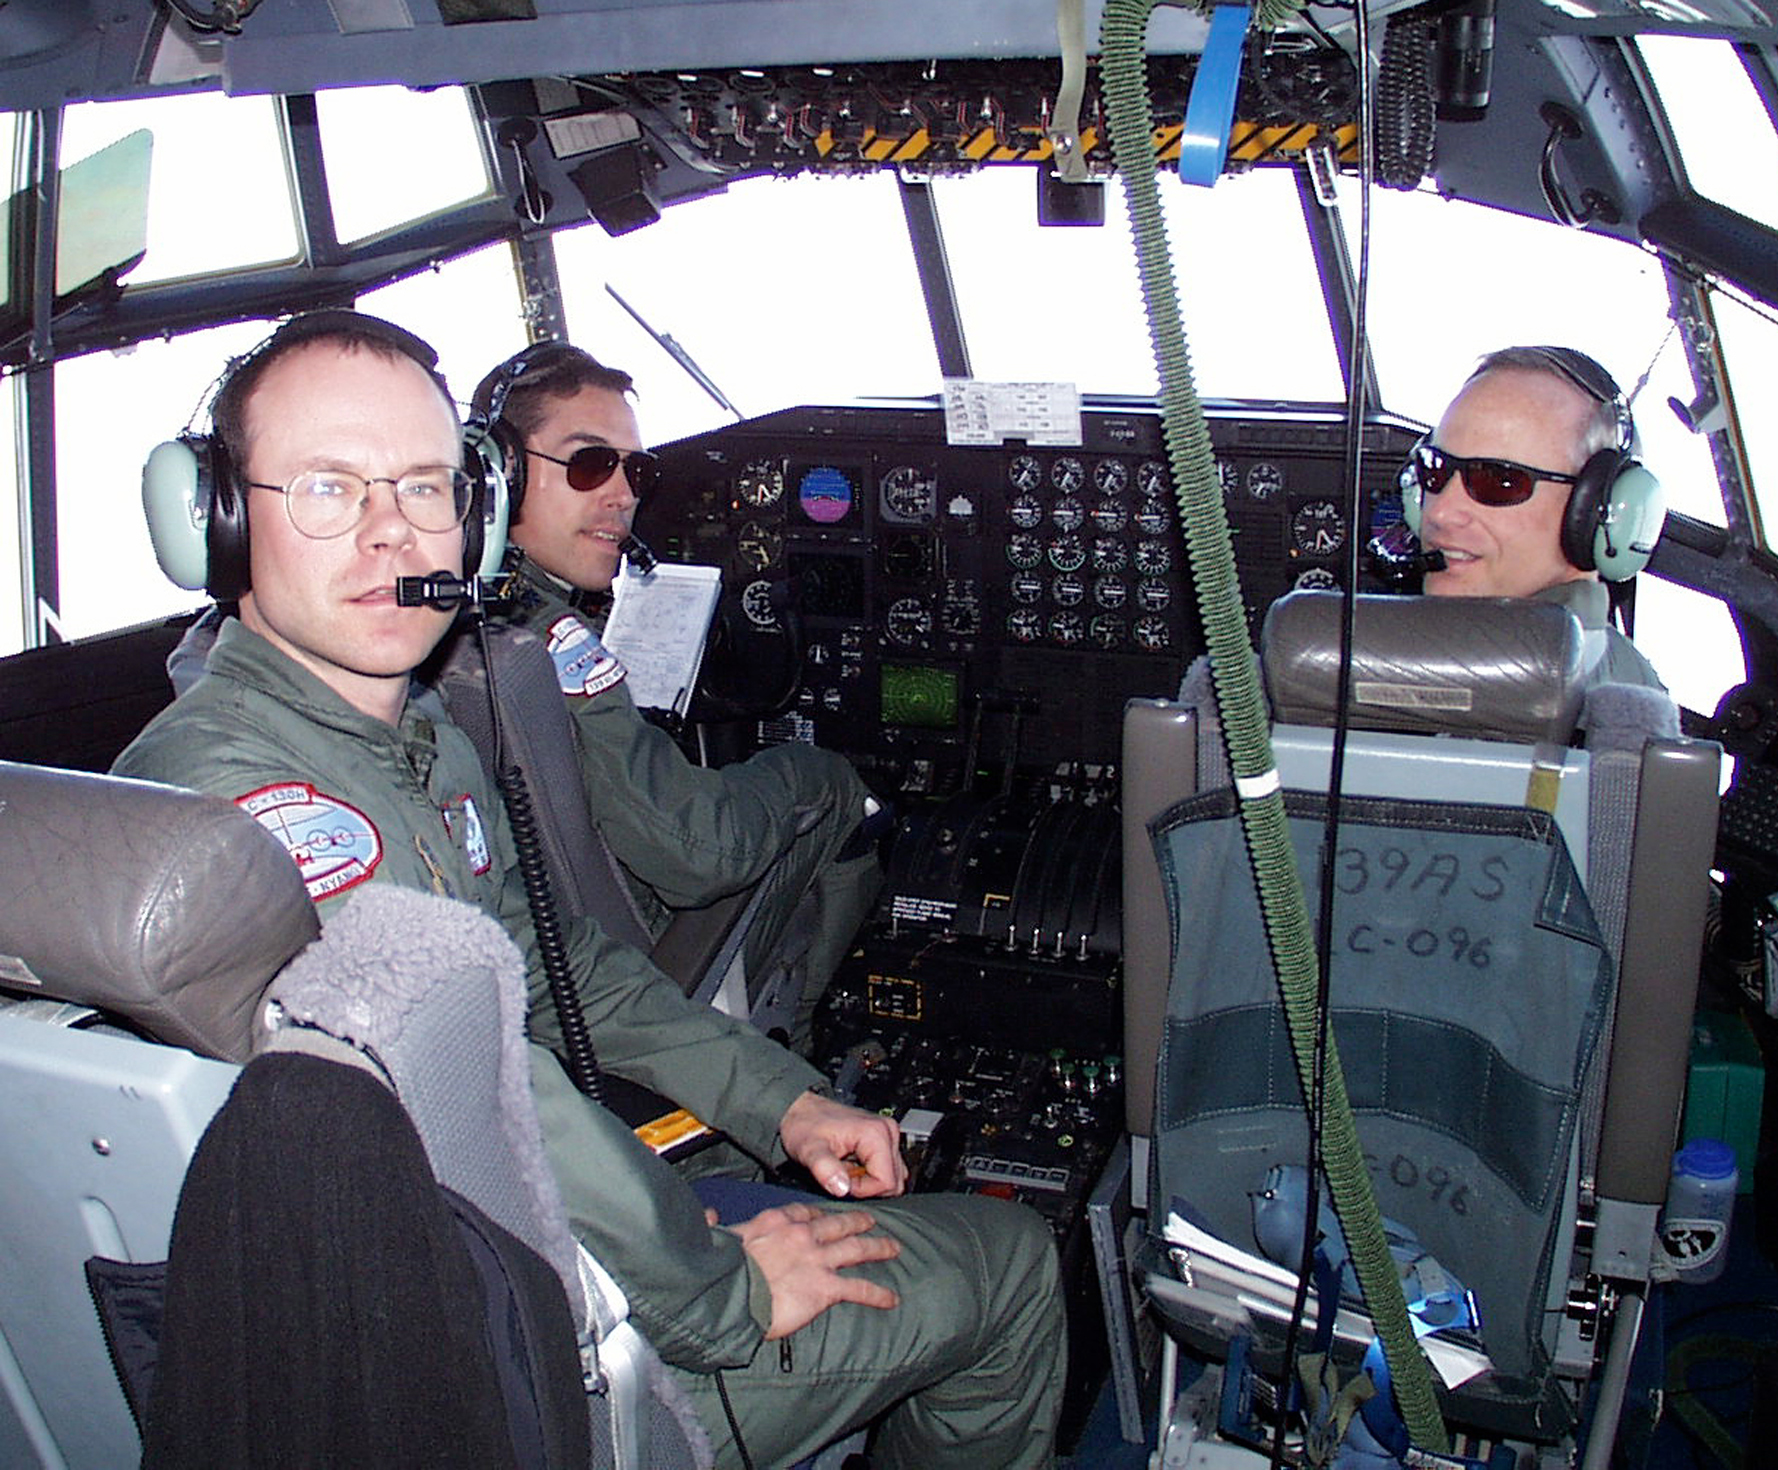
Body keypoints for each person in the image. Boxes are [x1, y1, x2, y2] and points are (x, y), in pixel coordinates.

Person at [114, 310, 1066, 1468]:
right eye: (325, 488)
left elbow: (571, 965)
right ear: (216, 521)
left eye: (421, 487)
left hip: (480, 1249)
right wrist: (723, 1292)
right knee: (1010, 1273)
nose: (387, 534)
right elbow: (470, 1069)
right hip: (486, 1355)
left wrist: (782, 1101)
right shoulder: (246, 798)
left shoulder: (414, 743)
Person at [474, 341, 880, 1057]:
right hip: (635, 966)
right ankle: (791, 1048)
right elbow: (700, 855)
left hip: (538, 965)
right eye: (590, 462)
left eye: (637, 469)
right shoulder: (549, 641)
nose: (624, 493)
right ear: (497, 473)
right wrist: (794, 770)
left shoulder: (445, 618)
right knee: (829, 784)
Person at [1404, 344, 1666, 689]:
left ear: (1594, 516)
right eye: (1433, 469)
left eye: (1500, 480)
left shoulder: (1503, 690)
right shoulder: (1616, 677)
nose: (1439, 511)